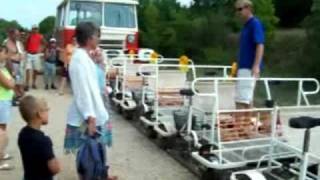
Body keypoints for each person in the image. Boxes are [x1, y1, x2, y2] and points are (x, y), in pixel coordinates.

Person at [64, 22, 116, 180]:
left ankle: (101, 174)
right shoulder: (79, 59)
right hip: (87, 115)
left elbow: (92, 85)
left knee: (96, 148)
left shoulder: (84, 57)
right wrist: (90, 116)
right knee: (88, 152)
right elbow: (82, 91)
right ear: (89, 38)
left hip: (93, 112)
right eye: (97, 36)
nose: (99, 39)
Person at [18, 95, 60, 180]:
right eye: (47, 110)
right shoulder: (44, 141)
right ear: (40, 114)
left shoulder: (22, 134)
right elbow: (55, 169)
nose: (48, 112)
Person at [235, 0, 265, 109]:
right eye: (236, 10)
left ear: (248, 8)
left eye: (240, 9)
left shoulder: (255, 24)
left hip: (249, 68)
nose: (238, 12)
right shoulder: (246, 26)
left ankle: (243, 125)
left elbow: (260, 44)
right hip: (243, 68)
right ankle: (250, 124)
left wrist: (256, 66)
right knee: (247, 100)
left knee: (241, 102)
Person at [0, 45, 15, 170]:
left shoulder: (3, 68)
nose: (6, 56)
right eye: (4, 53)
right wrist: (12, 82)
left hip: (5, 101)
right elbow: (9, 84)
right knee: (1, 132)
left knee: (2, 130)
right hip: (1, 101)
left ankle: (2, 153)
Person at [4, 28, 25, 106]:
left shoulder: (19, 43)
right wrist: (12, 68)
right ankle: (13, 98)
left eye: (18, 34)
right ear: (10, 34)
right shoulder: (6, 43)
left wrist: (20, 56)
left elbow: (22, 53)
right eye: (16, 34)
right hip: (11, 65)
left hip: (19, 65)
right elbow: (7, 56)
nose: (17, 36)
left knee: (19, 82)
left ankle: (17, 97)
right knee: (12, 82)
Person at [25, 24, 45, 91]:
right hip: (29, 54)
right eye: (34, 29)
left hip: (36, 54)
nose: (35, 30)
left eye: (36, 29)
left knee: (35, 70)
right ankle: (27, 84)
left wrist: (41, 49)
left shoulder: (40, 36)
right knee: (27, 69)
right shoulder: (29, 36)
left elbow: (45, 43)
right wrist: (26, 50)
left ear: (38, 29)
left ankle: (33, 83)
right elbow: (25, 43)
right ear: (32, 29)